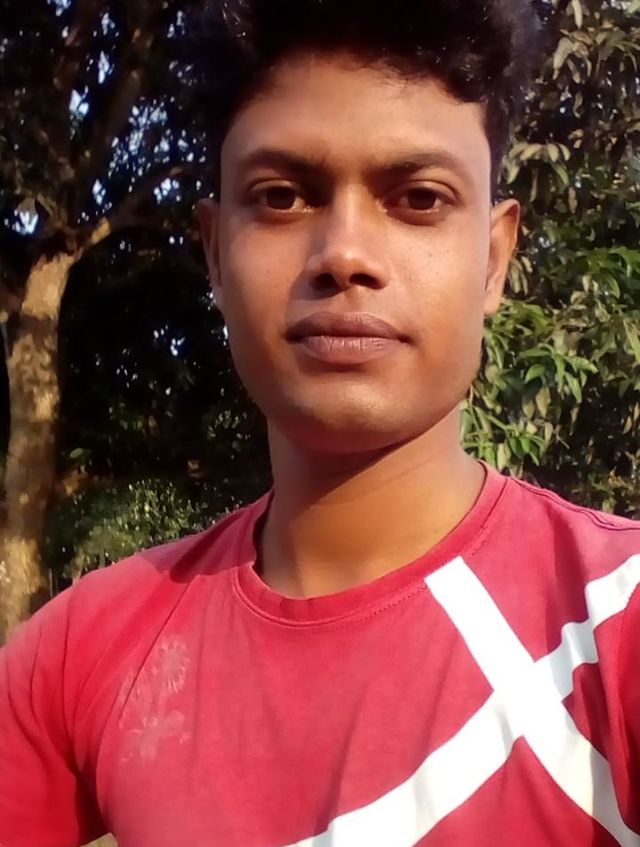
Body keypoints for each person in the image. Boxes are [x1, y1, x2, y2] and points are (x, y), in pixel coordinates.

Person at [2, 0, 640, 844]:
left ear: (493, 259)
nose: (344, 254)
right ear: (215, 252)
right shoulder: (81, 651)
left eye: (418, 198)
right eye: (282, 197)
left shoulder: (617, 618)